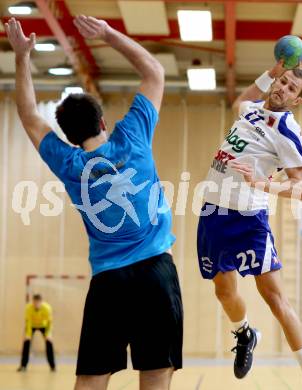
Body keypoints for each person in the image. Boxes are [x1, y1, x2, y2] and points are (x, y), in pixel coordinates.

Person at [5, 15, 182, 390]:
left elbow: (28, 114)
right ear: (103, 122)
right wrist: (108, 35)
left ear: (69, 135)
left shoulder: (69, 164)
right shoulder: (132, 135)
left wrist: (21, 57)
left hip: (109, 282)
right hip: (156, 274)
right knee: (155, 375)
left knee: (90, 380)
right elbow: (153, 71)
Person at [197, 61, 302, 390]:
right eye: (282, 81)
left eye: (291, 88)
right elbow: (240, 99)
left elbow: (301, 188)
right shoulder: (251, 109)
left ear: (296, 100)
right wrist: (271, 70)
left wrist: (260, 184)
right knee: (223, 292)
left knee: (275, 298)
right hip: (214, 212)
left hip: (248, 219)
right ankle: (244, 333)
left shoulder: (288, 132)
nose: (283, 88)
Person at [17, 294, 56, 372]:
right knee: (26, 342)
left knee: (49, 342)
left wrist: (48, 334)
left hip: (44, 326)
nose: (36, 304)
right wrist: (28, 334)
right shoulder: (28, 308)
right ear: (33, 302)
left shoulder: (47, 308)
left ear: (41, 302)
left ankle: (53, 366)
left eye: (38, 302)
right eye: (35, 302)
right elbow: (28, 322)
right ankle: (23, 366)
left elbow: (49, 322)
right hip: (32, 326)